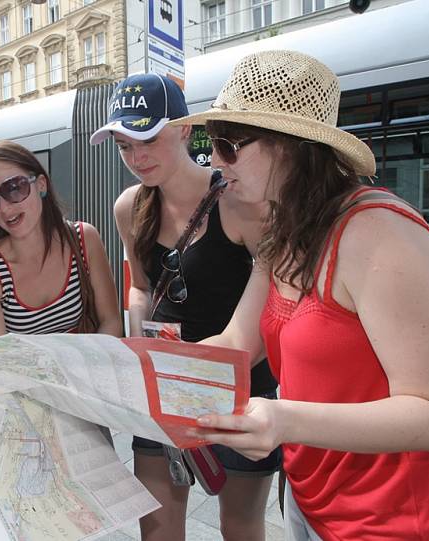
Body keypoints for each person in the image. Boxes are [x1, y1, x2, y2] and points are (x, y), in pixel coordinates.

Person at [171, 50, 429, 539]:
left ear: (291, 148)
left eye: (229, 144)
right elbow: (237, 343)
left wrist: (283, 418)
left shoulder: (380, 235)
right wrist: (147, 371)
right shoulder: (286, 229)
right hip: (317, 497)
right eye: (213, 143)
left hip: (400, 517)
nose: (213, 159)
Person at [90, 73, 278, 541]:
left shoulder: (238, 201)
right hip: (160, 390)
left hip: (240, 388)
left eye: (147, 137)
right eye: (124, 145)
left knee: (240, 526)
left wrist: (197, 371)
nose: (137, 157)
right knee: (155, 526)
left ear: (183, 129)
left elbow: (269, 299)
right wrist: (141, 340)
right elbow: (140, 285)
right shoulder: (128, 207)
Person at [0, 140, 122, 341]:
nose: (5, 208)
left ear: (41, 185)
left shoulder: (84, 239)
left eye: (14, 188)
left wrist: (88, 367)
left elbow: (111, 321)